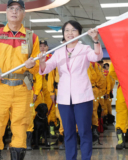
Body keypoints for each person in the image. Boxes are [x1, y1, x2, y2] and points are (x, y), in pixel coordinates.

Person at [0, 0, 40, 160]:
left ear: (24, 14)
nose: (14, 11)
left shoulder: (32, 37)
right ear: (6, 12)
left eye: (18, 9)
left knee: (20, 129)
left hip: (22, 90)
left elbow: (38, 66)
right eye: (11, 8)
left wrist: (32, 64)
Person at [38, 20, 103, 160]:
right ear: (63, 33)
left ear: (79, 33)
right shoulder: (59, 51)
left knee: (85, 131)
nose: (70, 33)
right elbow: (45, 69)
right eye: (67, 30)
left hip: (83, 96)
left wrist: (96, 40)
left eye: (73, 30)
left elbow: (97, 56)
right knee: (68, 132)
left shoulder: (84, 49)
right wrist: (42, 61)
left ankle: (86, 157)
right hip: (64, 98)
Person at [109, 63, 128, 149]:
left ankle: (121, 141)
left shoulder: (118, 55)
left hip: (122, 87)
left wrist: (120, 78)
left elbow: (112, 71)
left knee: (121, 114)